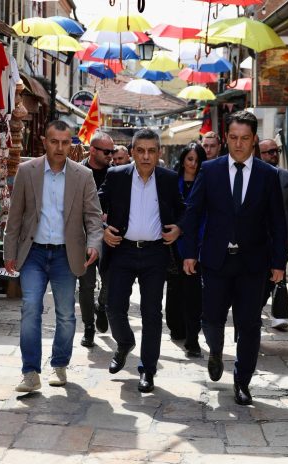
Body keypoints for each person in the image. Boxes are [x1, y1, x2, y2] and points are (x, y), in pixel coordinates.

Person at [180, 110, 288, 406]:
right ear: (226, 138)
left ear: (254, 140)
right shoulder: (210, 170)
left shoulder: (268, 175)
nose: (238, 144)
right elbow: (193, 213)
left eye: (245, 138)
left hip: (253, 263)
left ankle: (242, 381)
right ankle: (215, 351)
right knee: (211, 319)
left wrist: (279, 262)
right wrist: (188, 253)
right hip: (216, 260)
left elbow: (278, 222)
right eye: (233, 138)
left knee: (249, 324)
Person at [4, 120, 103, 393]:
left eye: (65, 142)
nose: (60, 147)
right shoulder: (27, 171)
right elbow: (15, 216)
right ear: (44, 142)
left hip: (65, 255)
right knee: (30, 308)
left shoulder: (83, 176)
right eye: (54, 141)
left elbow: (93, 217)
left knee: (66, 314)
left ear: (71, 144)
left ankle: (59, 364)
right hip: (33, 253)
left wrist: (94, 244)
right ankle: (30, 372)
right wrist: (9, 252)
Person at [98, 128, 184, 393]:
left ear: (158, 153)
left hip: (155, 253)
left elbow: (183, 210)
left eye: (151, 151)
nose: (146, 156)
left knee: (152, 313)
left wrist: (178, 228)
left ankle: (148, 369)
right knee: (113, 307)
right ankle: (124, 342)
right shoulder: (116, 176)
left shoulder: (169, 178)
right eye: (141, 151)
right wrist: (103, 230)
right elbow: (94, 207)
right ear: (132, 152)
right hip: (121, 250)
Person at [169, 142, 207, 357]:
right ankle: (177, 327)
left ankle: (192, 339)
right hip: (171, 244)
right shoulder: (172, 181)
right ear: (183, 159)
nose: (193, 164)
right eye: (190, 159)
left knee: (193, 292)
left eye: (197, 160)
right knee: (174, 288)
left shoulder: (206, 182)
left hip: (196, 243)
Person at [78, 131, 115, 347]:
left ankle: (102, 306)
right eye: (106, 151)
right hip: (83, 236)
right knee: (86, 285)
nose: (110, 155)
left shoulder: (115, 174)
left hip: (109, 237)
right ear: (92, 150)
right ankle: (88, 327)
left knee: (111, 281)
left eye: (112, 151)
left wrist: (111, 216)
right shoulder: (77, 172)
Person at [258, 138, 288, 331]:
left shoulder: (285, 176)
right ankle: (254, 310)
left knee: (280, 276)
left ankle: (280, 316)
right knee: (262, 279)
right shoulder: (254, 175)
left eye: (276, 151)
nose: (274, 155)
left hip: (279, 236)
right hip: (259, 237)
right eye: (269, 152)